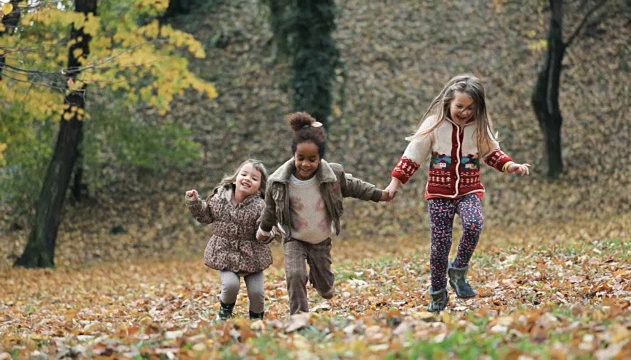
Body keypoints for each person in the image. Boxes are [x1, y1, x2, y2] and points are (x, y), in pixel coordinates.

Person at [385, 74, 530, 312]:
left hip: (469, 190)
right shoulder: (434, 125)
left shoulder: (479, 127)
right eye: (459, 107)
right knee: (440, 246)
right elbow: (412, 156)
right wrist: (394, 183)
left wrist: (510, 165)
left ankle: (459, 270)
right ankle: (438, 293)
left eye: (470, 108)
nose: (464, 112)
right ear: (449, 104)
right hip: (439, 193)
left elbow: (492, 152)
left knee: (474, 224)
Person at [256, 112, 394, 315]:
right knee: (294, 274)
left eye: (312, 159)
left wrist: (378, 194)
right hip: (294, 237)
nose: (305, 164)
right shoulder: (278, 182)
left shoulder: (332, 176)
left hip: (320, 239)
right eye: (300, 158)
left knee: (326, 290)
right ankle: (299, 316)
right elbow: (270, 209)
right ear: (293, 154)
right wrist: (264, 229)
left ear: (320, 158)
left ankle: (321, 280)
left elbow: (354, 186)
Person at [185, 159, 276, 320]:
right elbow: (206, 215)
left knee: (257, 292)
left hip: (253, 255)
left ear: (260, 187)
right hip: (224, 252)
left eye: (254, 178)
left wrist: (265, 233)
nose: (247, 179)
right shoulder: (220, 197)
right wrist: (195, 203)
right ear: (235, 177)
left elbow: (266, 226)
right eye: (244, 174)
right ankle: (225, 314)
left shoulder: (261, 206)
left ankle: (256, 320)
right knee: (230, 285)